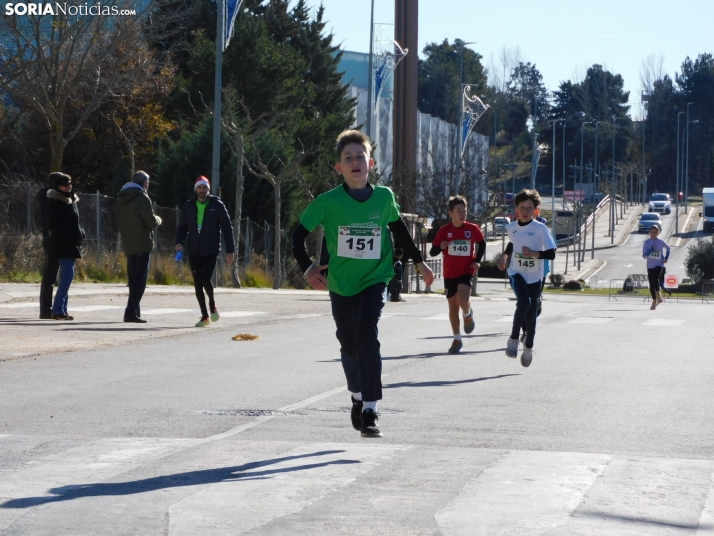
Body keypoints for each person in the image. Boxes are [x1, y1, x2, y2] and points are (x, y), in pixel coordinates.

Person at [291, 129, 434, 438]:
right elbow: (296, 235)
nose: (355, 162)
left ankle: (370, 408)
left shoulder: (384, 197)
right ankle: (356, 395)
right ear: (338, 167)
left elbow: (399, 230)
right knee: (349, 344)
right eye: (347, 158)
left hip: (375, 277)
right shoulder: (328, 202)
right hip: (341, 284)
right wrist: (308, 268)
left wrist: (420, 262)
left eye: (360, 157)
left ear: (370, 163)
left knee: (368, 333)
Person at [498, 189, 556, 367]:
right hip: (517, 272)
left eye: (529, 208)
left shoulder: (540, 229)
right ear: (516, 209)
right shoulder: (511, 227)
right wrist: (505, 257)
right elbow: (512, 243)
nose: (525, 211)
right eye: (522, 207)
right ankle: (514, 339)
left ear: (536, 210)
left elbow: (552, 253)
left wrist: (534, 253)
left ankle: (528, 346)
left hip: (535, 276)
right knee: (524, 302)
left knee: (532, 313)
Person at [175, 176, 235, 327]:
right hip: (194, 249)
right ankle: (205, 316)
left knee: (205, 279)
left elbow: (228, 228)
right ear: (195, 189)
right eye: (199, 188)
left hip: (211, 249)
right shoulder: (189, 206)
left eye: (205, 188)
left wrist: (230, 250)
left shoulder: (217, 205)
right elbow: (182, 227)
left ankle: (213, 306)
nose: (202, 191)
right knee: (197, 283)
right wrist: (179, 242)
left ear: (209, 189)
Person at [429, 196, 486, 354]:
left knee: (463, 299)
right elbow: (433, 252)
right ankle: (457, 339)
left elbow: (482, 244)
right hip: (449, 273)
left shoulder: (472, 229)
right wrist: (441, 246)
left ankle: (468, 314)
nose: (462, 214)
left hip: (466, 270)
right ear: (451, 213)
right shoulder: (444, 231)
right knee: (453, 308)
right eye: (459, 211)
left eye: (465, 211)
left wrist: (477, 261)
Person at [114, 170, 162, 323]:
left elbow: (117, 222)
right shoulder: (142, 198)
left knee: (133, 279)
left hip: (128, 243)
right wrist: (159, 219)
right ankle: (130, 312)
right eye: (148, 182)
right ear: (144, 183)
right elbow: (151, 222)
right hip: (142, 244)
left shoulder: (121, 198)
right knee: (140, 281)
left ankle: (135, 310)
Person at [46, 172, 84, 320]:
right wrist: (68, 234)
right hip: (62, 243)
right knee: (68, 275)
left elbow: (75, 222)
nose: (68, 187)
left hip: (72, 242)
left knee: (67, 276)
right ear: (58, 186)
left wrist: (80, 233)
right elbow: (53, 225)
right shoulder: (55, 202)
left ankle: (62, 309)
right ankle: (57, 309)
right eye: (64, 185)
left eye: (69, 184)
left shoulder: (71, 200)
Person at [37, 174, 60, 319]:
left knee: (50, 274)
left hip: (48, 238)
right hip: (53, 239)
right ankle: (46, 308)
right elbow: (49, 220)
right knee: (50, 274)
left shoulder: (44, 199)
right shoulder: (50, 200)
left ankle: (46, 307)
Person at [643, 225, 670, 310]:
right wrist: (651, 249)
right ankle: (654, 301)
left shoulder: (661, 242)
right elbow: (644, 256)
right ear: (649, 233)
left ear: (658, 233)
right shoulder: (647, 242)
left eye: (655, 232)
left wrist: (666, 258)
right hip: (650, 265)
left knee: (655, 278)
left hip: (659, 264)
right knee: (651, 284)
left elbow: (668, 248)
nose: (653, 234)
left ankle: (658, 294)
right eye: (651, 232)